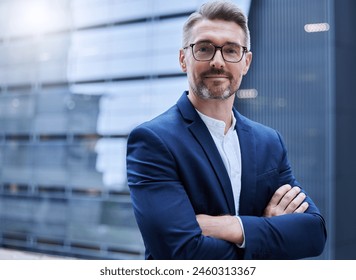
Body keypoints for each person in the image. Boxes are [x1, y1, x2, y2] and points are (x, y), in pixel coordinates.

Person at [126, 0, 327, 260]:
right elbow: (182, 254)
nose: (218, 61)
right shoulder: (153, 141)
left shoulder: (269, 141)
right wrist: (269, 233)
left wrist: (233, 226)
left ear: (246, 62)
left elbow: (314, 233)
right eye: (205, 49)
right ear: (183, 59)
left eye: (231, 50)